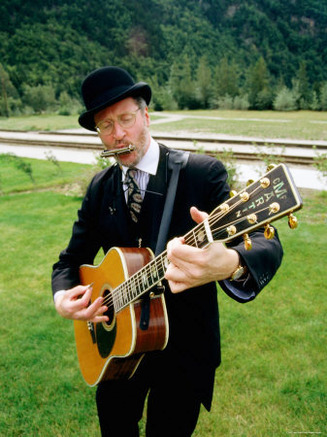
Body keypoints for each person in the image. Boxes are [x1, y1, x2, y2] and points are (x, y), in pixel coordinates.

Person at [52, 66, 283, 436]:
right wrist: (63, 297)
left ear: (145, 116)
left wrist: (230, 264)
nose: (119, 134)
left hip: (184, 354)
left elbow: (265, 242)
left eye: (126, 119)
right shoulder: (100, 187)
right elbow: (68, 260)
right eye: (106, 127)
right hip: (117, 354)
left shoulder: (201, 174)